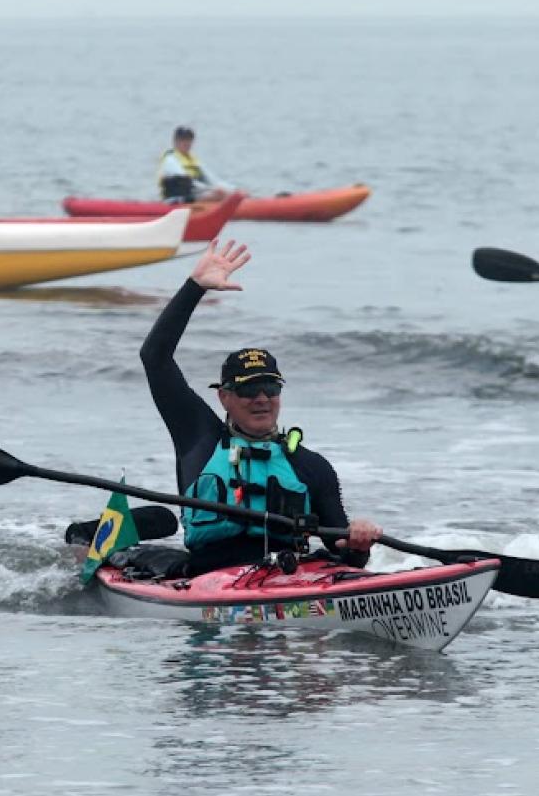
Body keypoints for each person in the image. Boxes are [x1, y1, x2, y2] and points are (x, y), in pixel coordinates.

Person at [139, 239, 382, 576]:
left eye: (270, 388)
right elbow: (155, 359)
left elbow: (346, 556)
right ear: (224, 397)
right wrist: (194, 288)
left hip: (285, 579)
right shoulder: (200, 438)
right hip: (208, 578)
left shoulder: (310, 465)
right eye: (249, 389)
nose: (261, 398)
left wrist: (358, 541)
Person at [158, 126, 232, 204]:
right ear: (175, 141)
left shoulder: (193, 160)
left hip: (192, 194)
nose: (186, 143)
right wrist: (212, 190)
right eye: (183, 139)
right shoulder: (170, 160)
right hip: (173, 200)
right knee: (217, 194)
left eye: (189, 139)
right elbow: (189, 182)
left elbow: (212, 179)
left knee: (224, 193)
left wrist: (232, 190)